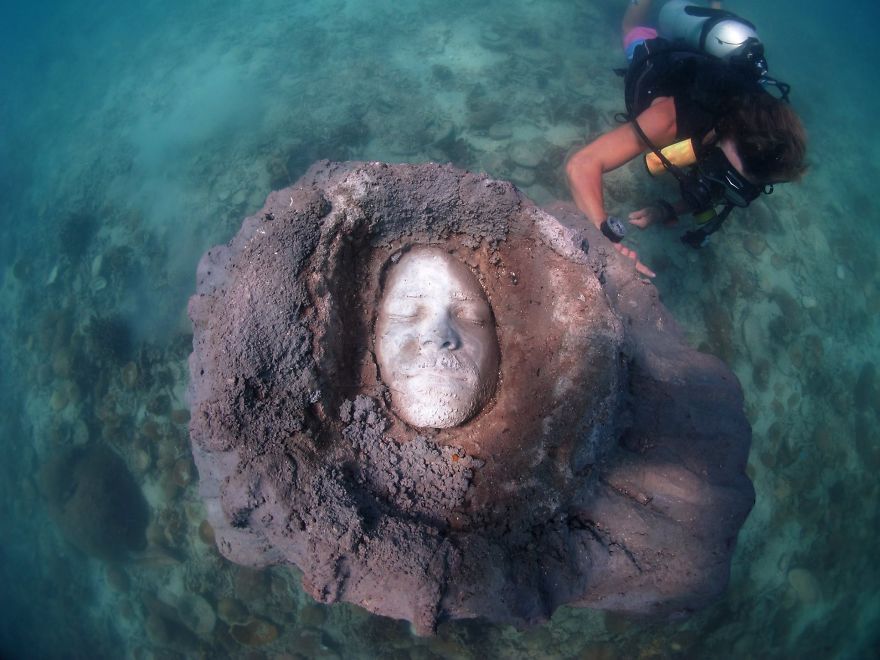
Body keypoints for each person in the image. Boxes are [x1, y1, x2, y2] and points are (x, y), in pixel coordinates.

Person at [566, 0, 807, 277]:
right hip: (663, 68)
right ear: (723, 129)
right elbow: (581, 165)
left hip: (715, 73)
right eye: (722, 167)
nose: (723, 177)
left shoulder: (766, 154)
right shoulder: (668, 119)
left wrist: (666, 210)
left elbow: (718, 190)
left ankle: (714, 11)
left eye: (737, 181)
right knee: (631, 28)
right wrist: (605, 237)